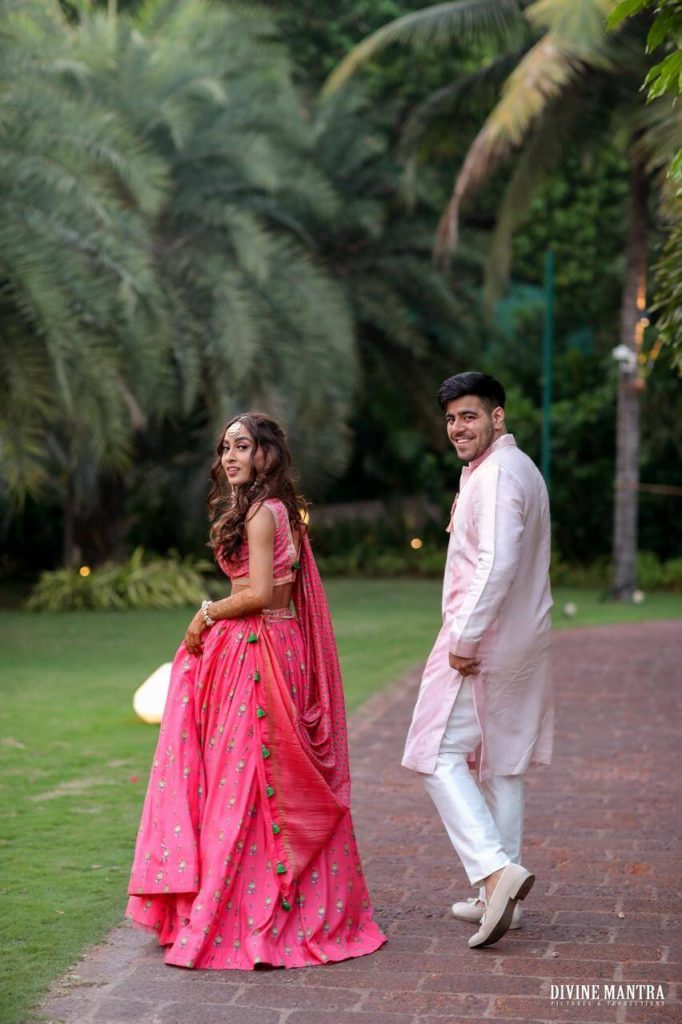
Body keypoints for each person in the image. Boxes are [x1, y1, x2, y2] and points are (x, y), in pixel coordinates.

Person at [126, 413, 386, 969]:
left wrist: (205, 614)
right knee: (244, 779)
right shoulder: (274, 508)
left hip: (257, 652)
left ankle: (245, 914)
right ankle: (273, 903)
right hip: (258, 649)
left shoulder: (265, 515)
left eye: (242, 446)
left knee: (247, 780)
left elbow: (263, 593)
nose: (230, 457)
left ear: (267, 454)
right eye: (225, 448)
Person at [402, 372, 553, 949]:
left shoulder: (494, 476)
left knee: (436, 752)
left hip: (482, 641)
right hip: (521, 638)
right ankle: (500, 900)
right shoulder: (518, 470)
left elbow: (498, 560)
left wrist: (464, 636)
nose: (458, 428)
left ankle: (494, 871)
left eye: (469, 416)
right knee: (502, 763)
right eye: (450, 419)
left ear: (498, 417)